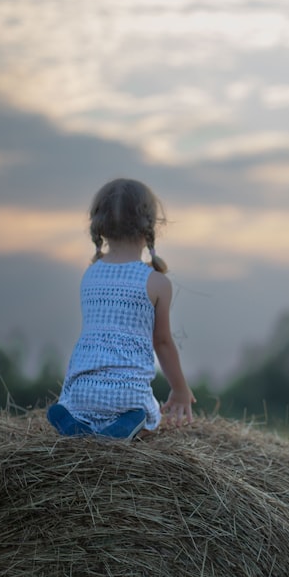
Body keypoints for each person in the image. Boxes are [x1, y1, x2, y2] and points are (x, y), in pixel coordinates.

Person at [48, 178, 195, 440]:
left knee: (81, 406)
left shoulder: (90, 275)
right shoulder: (157, 283)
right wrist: (180, 389)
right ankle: (128, 424)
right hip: (128, 395)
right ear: (150, 226)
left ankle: (76, 420)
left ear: (99, 226)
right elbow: (162, 342)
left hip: (82, 391)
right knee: (149, 417)